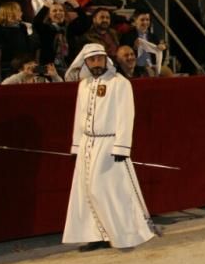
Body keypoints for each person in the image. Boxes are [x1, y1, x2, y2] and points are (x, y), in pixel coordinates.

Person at [62, 43, 159, 251]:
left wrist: (122, 147)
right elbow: (79, 115)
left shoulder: (119, 83)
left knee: (109, 190)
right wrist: (77, 145)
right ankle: (97, 234)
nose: (96, 63)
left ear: (106, 59)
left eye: (99, 59)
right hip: (88, 144)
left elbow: (126, 115)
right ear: (86, 62)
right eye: (92, 60)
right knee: (86, 190)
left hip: (109, 144)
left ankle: (123, 233)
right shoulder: (84, 85)